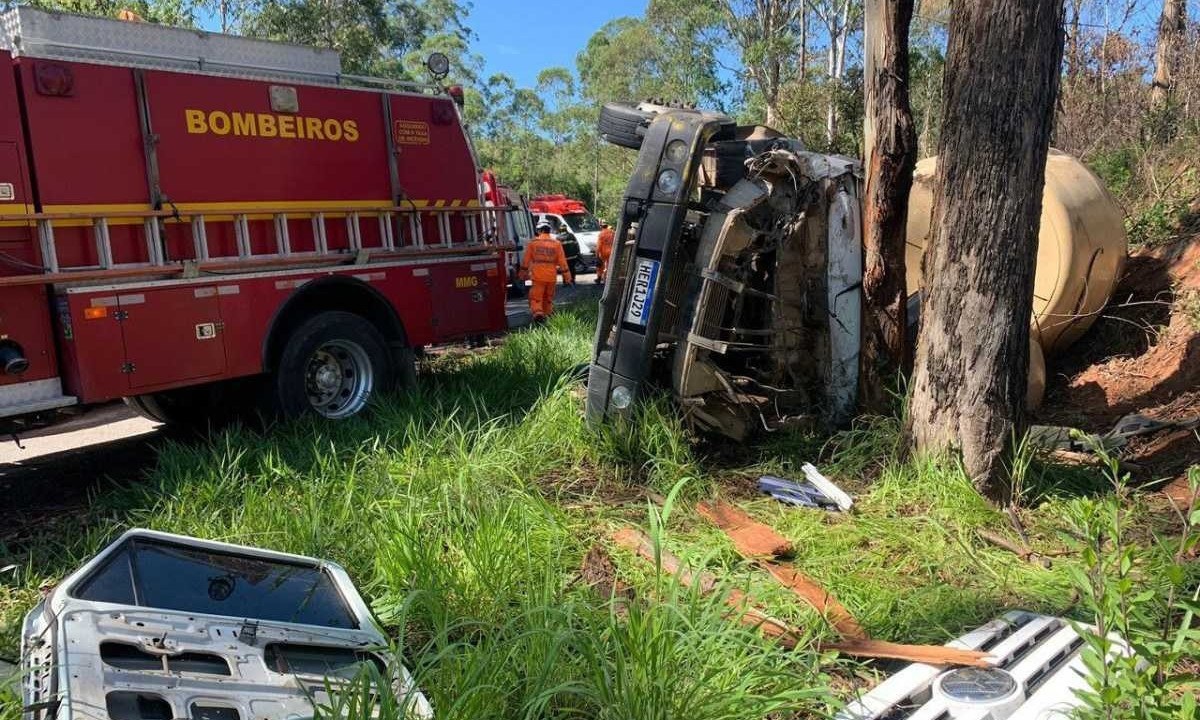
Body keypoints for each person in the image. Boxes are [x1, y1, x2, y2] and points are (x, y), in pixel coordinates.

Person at [520, 220, 573, 321]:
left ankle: (538, 314)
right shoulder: (556, 244)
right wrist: (568, 278)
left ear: (539, 230)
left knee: (536, 297)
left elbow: (526, 261)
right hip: (551, 276)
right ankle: (548, 316)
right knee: (548, 298)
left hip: (538, 276)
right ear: (549, 230)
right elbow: (563, 262)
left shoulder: (533, 243)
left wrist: (522, 275)